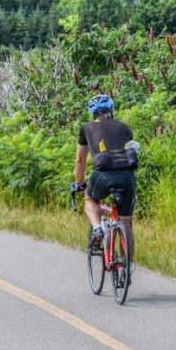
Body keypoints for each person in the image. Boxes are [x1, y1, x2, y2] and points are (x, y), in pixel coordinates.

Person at [72, 93, 139, 263]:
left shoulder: (86, 128)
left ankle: (97, 229)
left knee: (90, 198)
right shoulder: (125, 128)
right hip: (126, 177)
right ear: (111, 109)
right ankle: (128, 267)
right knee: (127, 223)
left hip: (103, 174)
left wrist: (79, 183)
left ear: (92, 113)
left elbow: (80, 159)